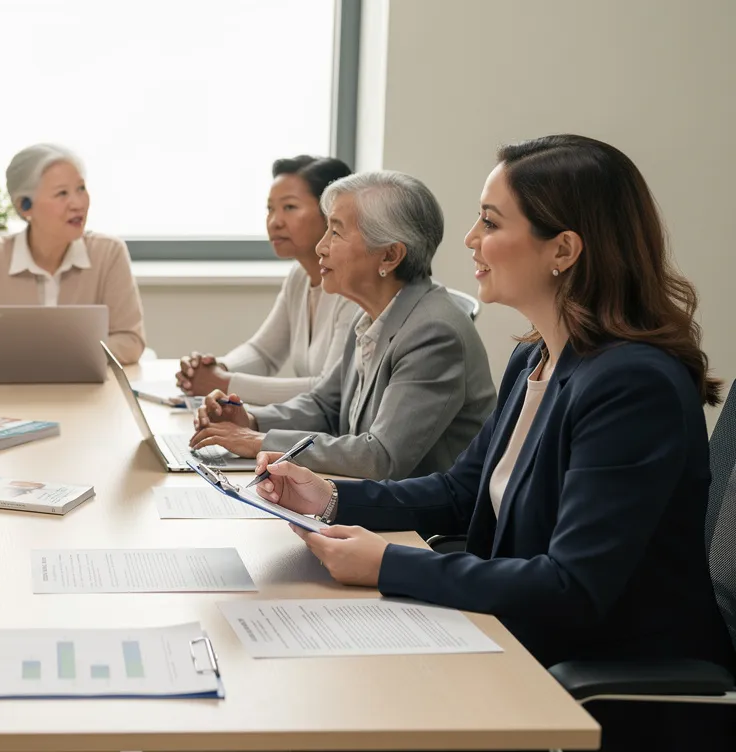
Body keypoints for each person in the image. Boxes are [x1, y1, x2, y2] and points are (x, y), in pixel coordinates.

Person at [252, 135, 735, 751]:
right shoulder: (536, 357)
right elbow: (462, 492)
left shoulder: (632, 386)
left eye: (489, 221)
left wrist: (389, 562)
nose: (469, 240)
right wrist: (333, 501)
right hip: (513, 644)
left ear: (562, 249)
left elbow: (573, 589)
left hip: (595, 684)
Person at [191, 171, 496, 480]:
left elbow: (380, 457)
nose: (321, 247)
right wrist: (252, 421)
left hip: (423, 524)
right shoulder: (370, 313)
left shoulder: (433, 333)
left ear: (389, 256)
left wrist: (259, 442)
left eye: (335, 233)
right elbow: (325, 405)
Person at [0, 143, 146, 365]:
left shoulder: (109, 253)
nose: (78, 203)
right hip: (4, 393)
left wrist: (64, 357)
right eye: (62, 193)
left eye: (81, 189)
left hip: (86, 393)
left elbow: (130, 340)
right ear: (25, 206)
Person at [176, 155, 359, 404]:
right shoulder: (299, 276)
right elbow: (263, 353)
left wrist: (222, 383)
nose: (275, 221)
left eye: (290, 207)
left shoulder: (354, 284)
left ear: (332, 214)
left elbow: (328, 390)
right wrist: (216, 368)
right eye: (270, 209)